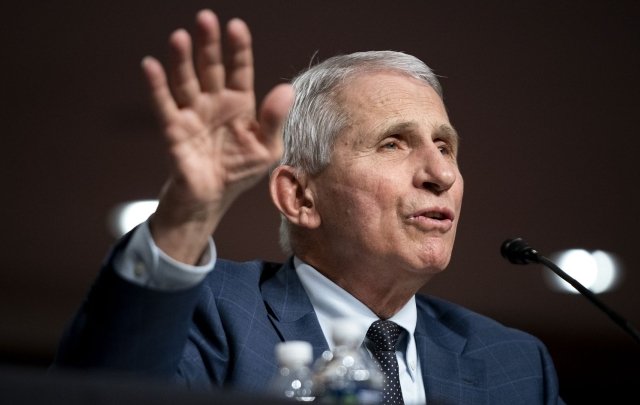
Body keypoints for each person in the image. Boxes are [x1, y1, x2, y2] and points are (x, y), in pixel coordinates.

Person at [53, 8, 566, 405]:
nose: (442, 174)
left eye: (446, 146)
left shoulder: (515, 365)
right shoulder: (216, 313)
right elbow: (100, 393)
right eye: (393, 143)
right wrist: (188, 214)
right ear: (299, 196)